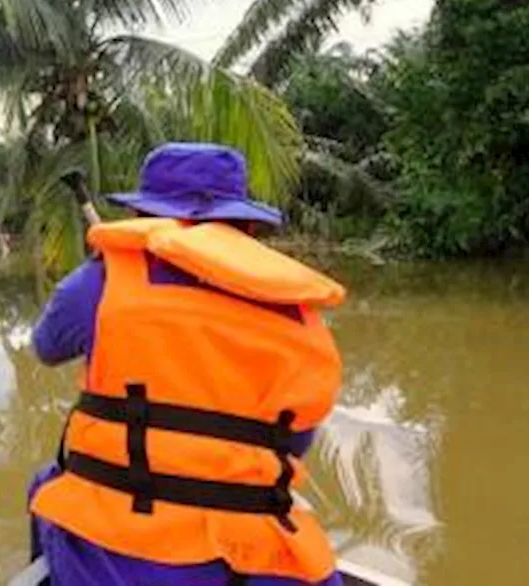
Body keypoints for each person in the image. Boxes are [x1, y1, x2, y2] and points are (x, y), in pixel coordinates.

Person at [28, 143, 348, 586]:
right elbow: (296, 440)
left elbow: (46, 346)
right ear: (247, 225)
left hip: (123, 550)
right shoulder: (296, 308)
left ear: (148, 215)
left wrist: (96, 280)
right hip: (258, 560)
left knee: (47, 485)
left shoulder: (104, 279)